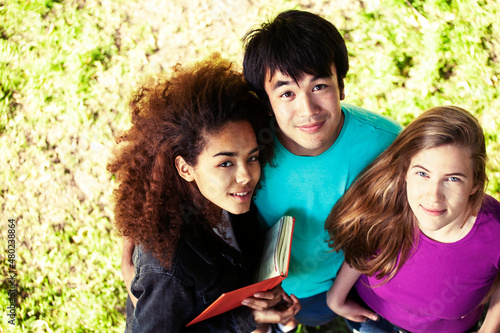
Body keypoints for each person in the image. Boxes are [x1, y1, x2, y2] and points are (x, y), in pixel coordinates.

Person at [108, 54, 300, 332]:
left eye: (252, 157)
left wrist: (263, 296)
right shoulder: (167, 267)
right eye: (225, 163)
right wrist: (248, 320)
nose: (247, 176)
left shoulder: (224, 195)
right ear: (186, 168)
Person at [241, 9, 402, 331]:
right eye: (287, 93)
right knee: (308, 317)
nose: (308, 111)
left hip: (362, 277)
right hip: (283, 288)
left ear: (340, 84)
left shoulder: (388, 144)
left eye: (319, 86)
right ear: (266, 101)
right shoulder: (249, 148)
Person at [325, 106, 500, 332]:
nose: (433, 196)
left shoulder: (494, 231)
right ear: (405, 170)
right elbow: (362, 251)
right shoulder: (389, 203)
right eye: (422, 174)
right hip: (373, 318)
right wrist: (336, 297)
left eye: (453, 179)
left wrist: (490, 328)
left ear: (475, 183)